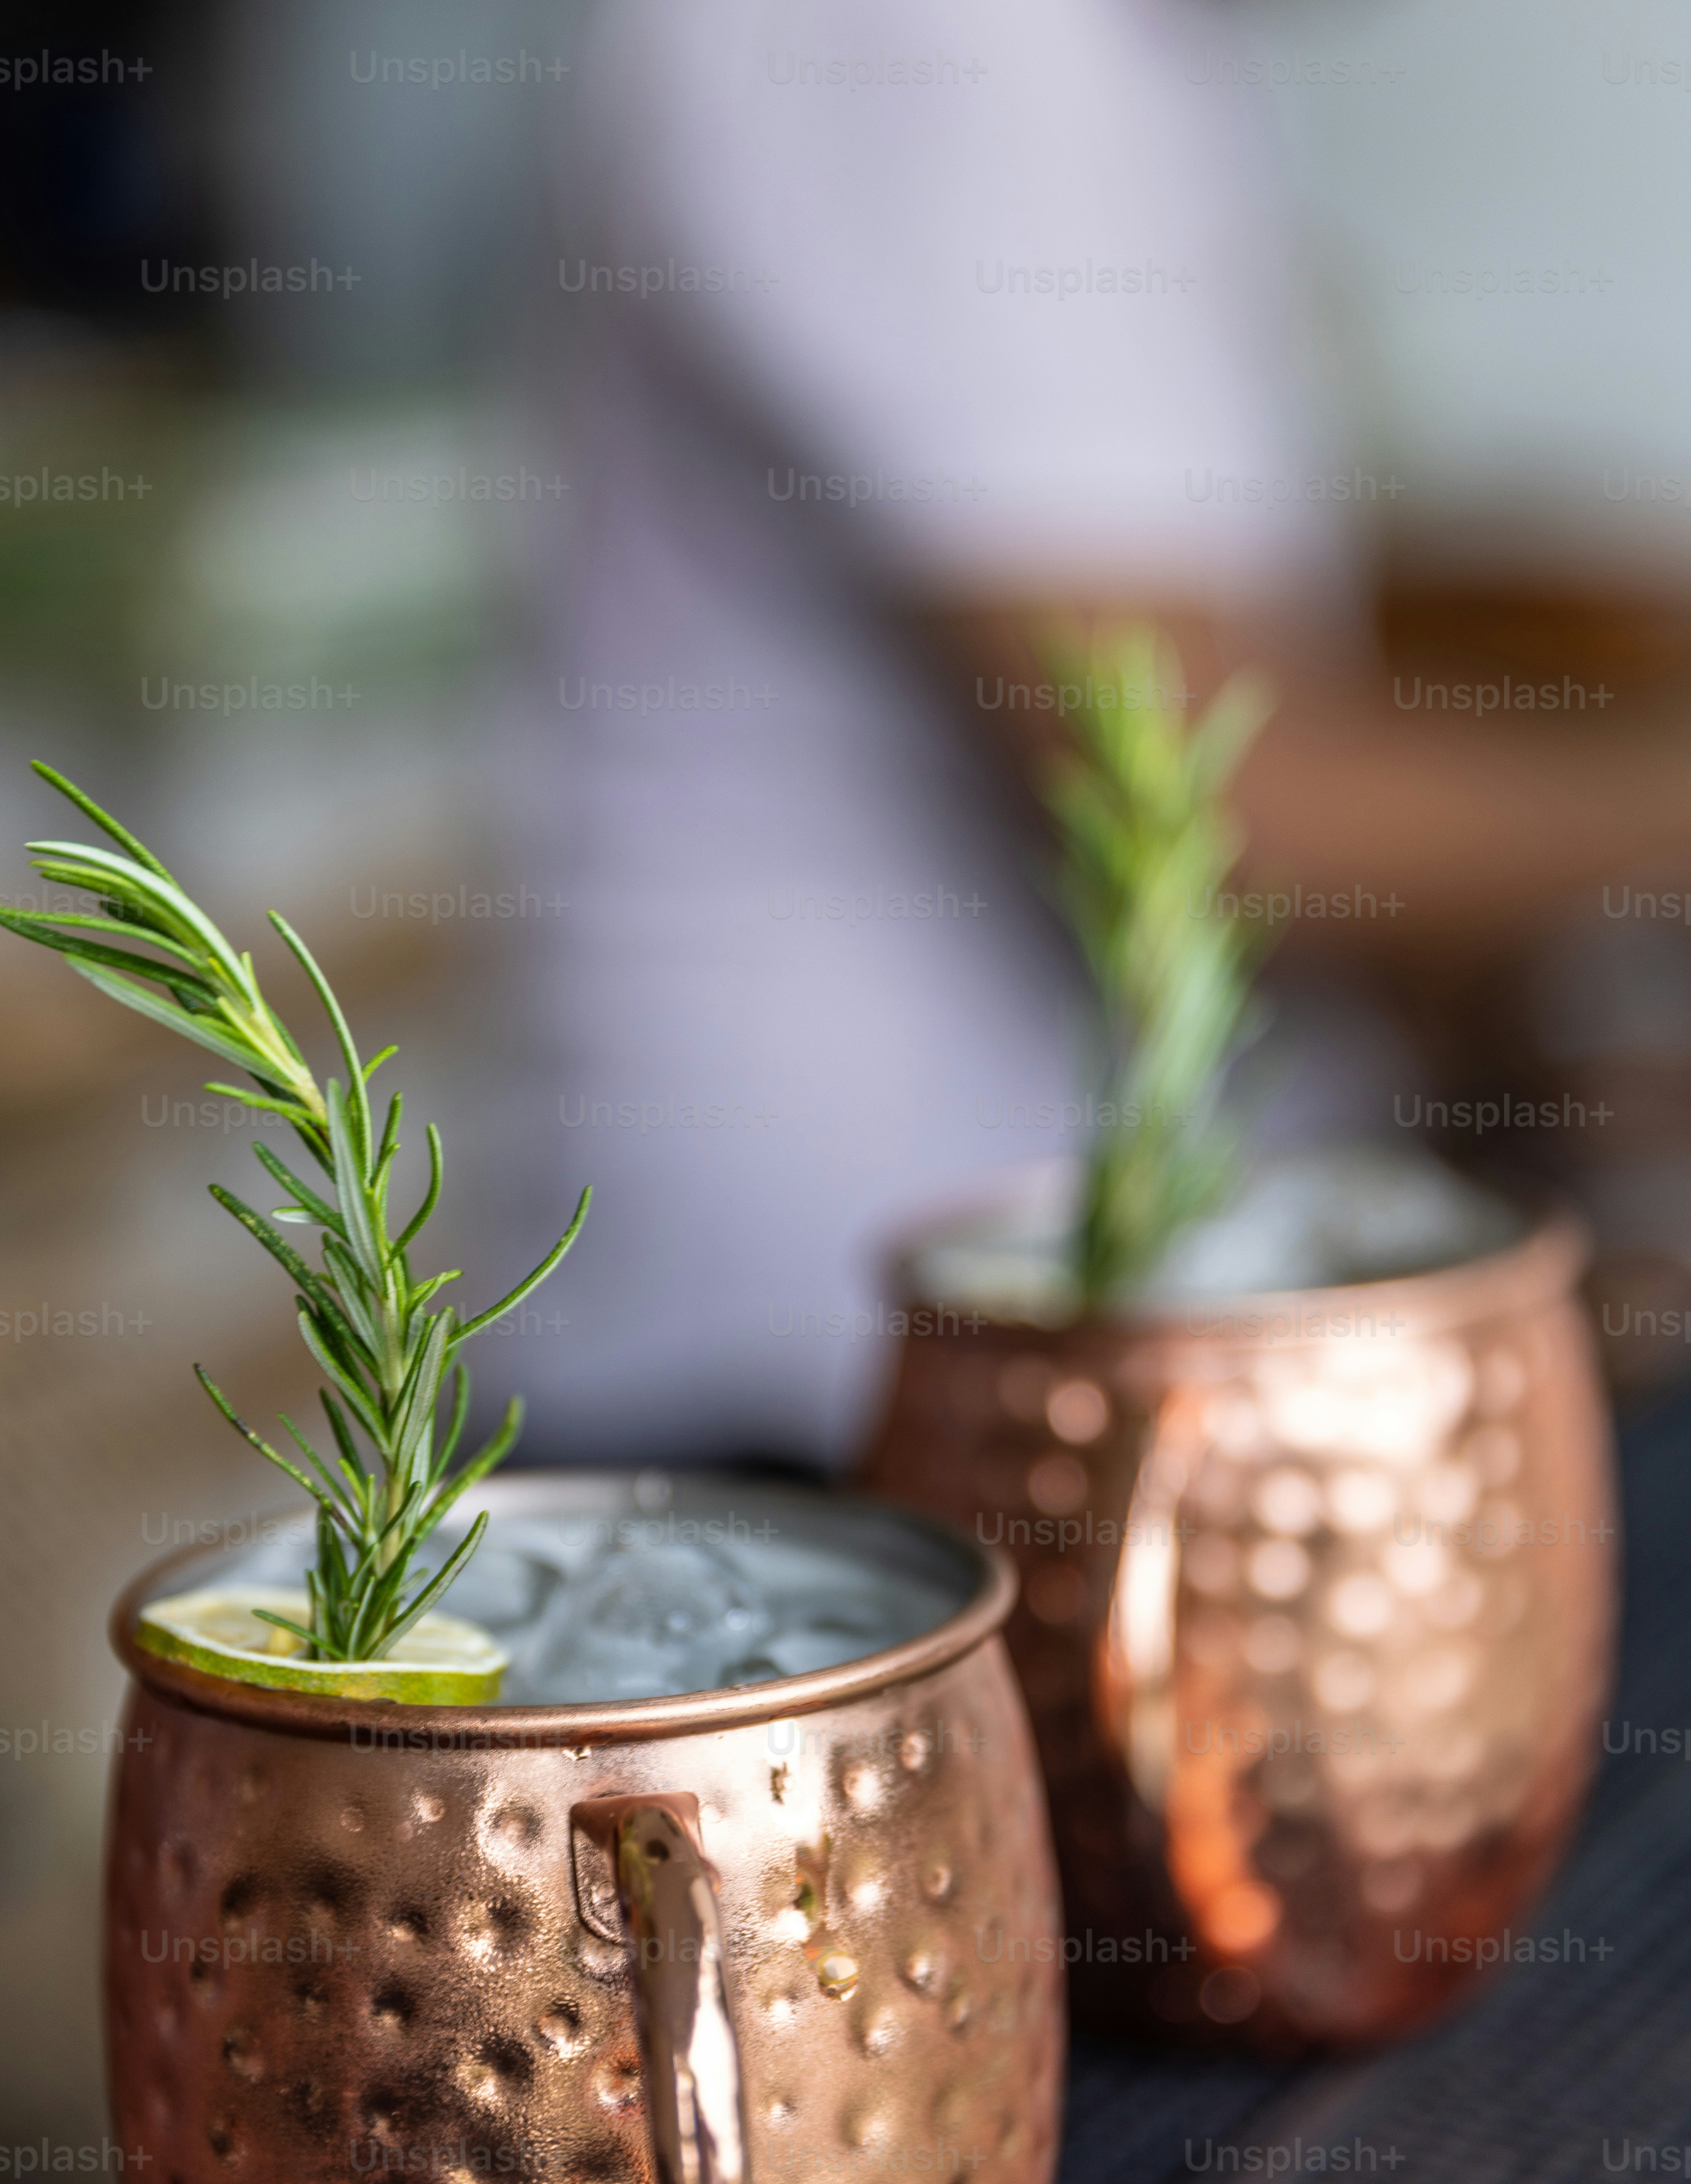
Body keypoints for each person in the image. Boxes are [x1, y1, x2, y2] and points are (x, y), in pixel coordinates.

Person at [490, 0, 1691, 1471]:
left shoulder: (1122, 63)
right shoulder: (913, 42)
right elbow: (1241, 821)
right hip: (817, 1418)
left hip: (1074, 1349)